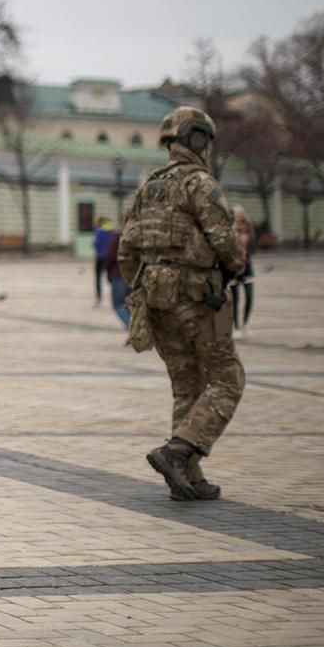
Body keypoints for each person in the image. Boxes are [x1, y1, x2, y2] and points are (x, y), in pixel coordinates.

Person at [118, 106, 246, 502]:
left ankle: (188, 477)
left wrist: (148, 285)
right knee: (228, 379)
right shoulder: (200, 184)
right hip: (196, 296)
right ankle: (178, 450)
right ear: (197, 139)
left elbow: (126, 252)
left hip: (156, 299)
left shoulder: (147, 189)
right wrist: (234, 265)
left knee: (186, 386)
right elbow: (224, 241)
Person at [232, 205, 257, 337]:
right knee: (234, 299)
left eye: (238, 214)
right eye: (234, 214)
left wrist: (247, 256)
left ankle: (245, 324)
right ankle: (235, 327)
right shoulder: (229, 228)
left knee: (249, 296)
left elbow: (253, 246)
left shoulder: (248, 229)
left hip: (247, 265)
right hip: (233, 265)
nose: (237, 216)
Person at [102, 220, 130, 329]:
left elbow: (111, 256)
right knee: (129, 305)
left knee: (118, 305)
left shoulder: (117, 236)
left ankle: (131, 327)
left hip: (118, 275)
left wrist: (107, 269)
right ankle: (133, 329)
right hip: (132, 275)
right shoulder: (136, 237)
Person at [91, 215, 114, 307]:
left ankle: (99, 299)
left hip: (100, 257)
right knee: (112, 279)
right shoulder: (111, 232)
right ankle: (116, 297)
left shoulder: (98, 232)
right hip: (109, 257)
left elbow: (95, 244)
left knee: (98, 278)